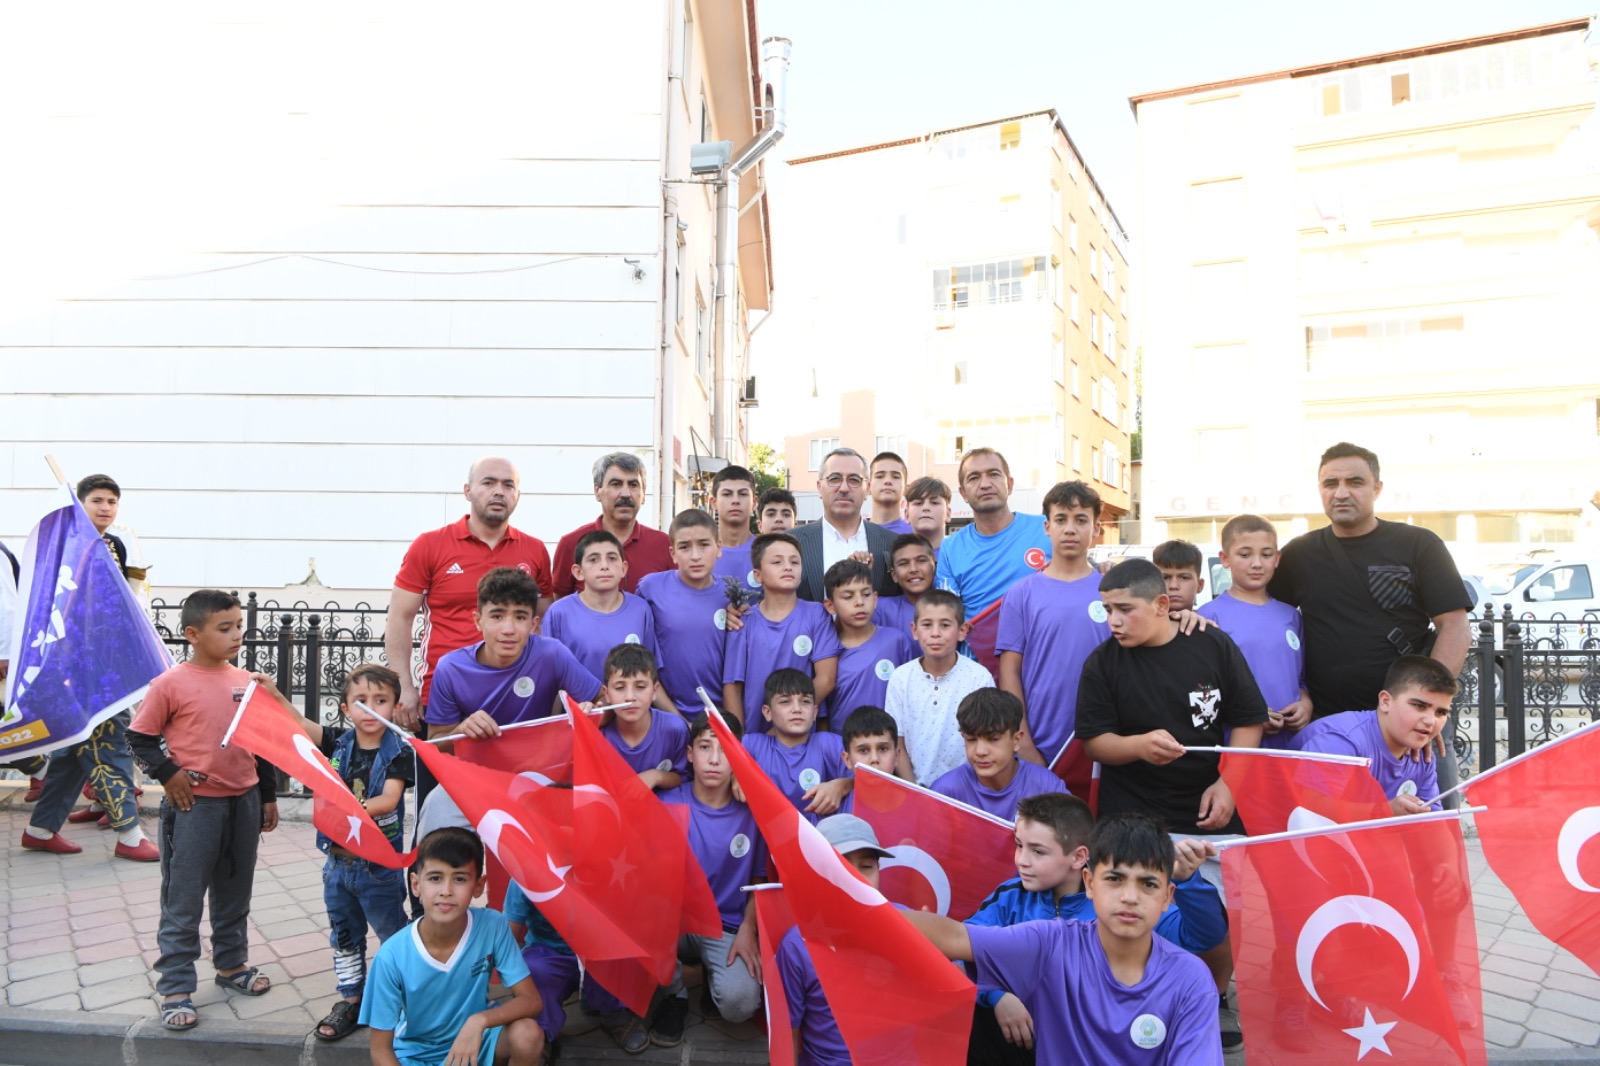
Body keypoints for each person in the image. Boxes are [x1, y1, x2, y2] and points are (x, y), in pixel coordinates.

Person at [905, 813, 1225, 1066]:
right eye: (1115, 879)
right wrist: (872, 907)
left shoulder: (1191, 980)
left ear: (1168, 896)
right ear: (1090, 883)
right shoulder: (1051, 943)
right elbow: (955, 936)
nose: (1130, 897)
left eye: (1148, 884)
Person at [1269, 442, 1471, 797]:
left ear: (1377, 488)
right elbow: (1264, 617)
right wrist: (1185, 616)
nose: (1341, 492)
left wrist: (1427, 709)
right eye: (1330, 483)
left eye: (1355, 482)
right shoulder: (1299, 554)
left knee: (1429, 825)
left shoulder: (1418, 544)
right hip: (1332, 728)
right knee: (1333, 826)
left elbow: (1454, 626)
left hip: (1410, 727)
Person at [125, 590, 279, 1032]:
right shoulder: (170, 683)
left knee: (235, 890)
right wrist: (168, 774)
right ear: (192, 634)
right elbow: (139, 738)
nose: (237, 635)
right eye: (224, 628)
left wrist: (267, 796)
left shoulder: (246, 681)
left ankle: (231, 965)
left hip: (244, 803)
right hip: (194, 807)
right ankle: (175, 986)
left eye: (239, 626)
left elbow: (261, 742)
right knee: (184, 897)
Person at [248, 665, 412, 1044]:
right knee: (344, 935)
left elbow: (389, 799)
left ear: (395, 707)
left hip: (378, 868)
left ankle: (404, 997)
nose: (370, 709)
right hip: (337, 865)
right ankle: (351, 1000)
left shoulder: (398, 752)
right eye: (361, 701)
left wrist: (349, 807)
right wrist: (274, 694)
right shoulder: (339, 743)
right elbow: (300, 725)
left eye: (381, 701)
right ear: (345, 708)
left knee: (393, 935)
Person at [1074, 559, 1267, 837]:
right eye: (1108, 609)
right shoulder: (1101, 663)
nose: (1113, 620)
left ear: (1161, 605)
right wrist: (1138, 746)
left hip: (1206, 810)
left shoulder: (1212, 644)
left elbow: (1248, 720)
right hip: (1130, 818)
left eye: (1125, 609)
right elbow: (1094, 742)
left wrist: (1229, 784)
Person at [20, 473, 156, 859]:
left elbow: (126, 602)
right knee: (110, 743)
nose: (105, 508)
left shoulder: (114, 545)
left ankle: (41, 828)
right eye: (97, 500)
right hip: (78, 665)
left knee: (73, 748)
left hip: (109, 659)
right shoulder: (65, 545)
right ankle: (130, 835)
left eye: (112, 502)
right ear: (80, 504)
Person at [386, 456, 555, 734]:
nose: (499, 491)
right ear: (467, 491)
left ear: (518, 495)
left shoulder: (534, 550)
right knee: (443, 764)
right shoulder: (430, 545)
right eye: (488, 483)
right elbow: (399, 619)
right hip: (444, 697)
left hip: (514, 695)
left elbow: (544, 622)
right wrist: (403, 686)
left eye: (508, 485)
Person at [362, 828, 545, 1066]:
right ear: (416, 884)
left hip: (477, 1041)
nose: (446, 891)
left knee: (528, 1034)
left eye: (459, 879)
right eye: (435, 878)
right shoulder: (391, 956)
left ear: (478, 886)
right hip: (416, 1056)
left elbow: (531, 1001)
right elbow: (380, 1051)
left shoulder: (492, 925)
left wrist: (479, 1021)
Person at [657, 714, 768, 1042]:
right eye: (705, 747)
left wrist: (748, 928)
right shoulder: (668, 804)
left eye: (725, 750)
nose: (715, 759)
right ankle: (675, 994)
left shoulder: (753, 811)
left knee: (739, 1004)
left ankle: (710, 973)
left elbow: (759, 882)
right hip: (672, 924)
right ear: (690, 754)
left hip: (726, 926)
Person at [996, 480, 1112, 767]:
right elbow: (1009, 673)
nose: (1070, 529)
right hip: (1040, 744)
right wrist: (1023, 742)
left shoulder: (1113, 593)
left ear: (1096, 528)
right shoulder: (1021, 593)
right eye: (1061, 519)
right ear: (1047, 527)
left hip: (1106, 743)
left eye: (1081, 520)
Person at [425, 569, 602, 743]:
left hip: (538, 761)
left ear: (533, 624)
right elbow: (435, 742)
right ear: (478, 621)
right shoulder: (450, 668)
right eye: (497, 616)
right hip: (475, 763)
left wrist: (590, 712)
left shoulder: (552, 653)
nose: (508, 629)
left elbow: (603, 702)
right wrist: (461, 731)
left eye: (520, 617)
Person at [775, 813, 895, 1065]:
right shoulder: (797, 946)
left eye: (866, 866)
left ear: (879, 870)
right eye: (840, 866)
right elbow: (787, 1033)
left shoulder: (911, 926)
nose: (855, 878)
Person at [1197, 515, 1310, 749]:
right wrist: (1249, 714)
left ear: (1277, 559)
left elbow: (1300, 678)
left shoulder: (1291, 615)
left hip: (1291, 746)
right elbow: (1203, 689)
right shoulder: (1208, 616)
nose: (1257, 563)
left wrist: (1305, 703)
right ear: (1225, 558)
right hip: (1239, 747)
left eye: (1266, 555)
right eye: (1245, 554)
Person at [1292, 655, 1456, 813]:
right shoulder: (1341, 740)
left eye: (1441, 712)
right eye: (1419, 706)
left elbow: (1433, 822)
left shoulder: (1422, 755)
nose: (1430, 721)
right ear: (1385, 701)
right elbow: (1311, 810)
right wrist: (1385, 812)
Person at [722, 533, 841, 728]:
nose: (788, 567)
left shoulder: (817, 614)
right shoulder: (742, 621)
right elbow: (732, 688)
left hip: (802, 735)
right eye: (777, 562)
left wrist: (784, 724)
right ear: (758, 575)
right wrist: (740, 740)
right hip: (755, 737)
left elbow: (826, 679)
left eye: (794, 562)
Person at [886, 590, 994, 786]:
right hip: (917, 788)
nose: (935, 633)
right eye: (927, 625)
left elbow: (985, 742)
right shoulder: (900, 678)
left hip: (967, 790)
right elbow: (897, 743)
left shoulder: (978, 678)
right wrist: (916, 792)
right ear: (914, 630)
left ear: (962, 631)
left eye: (945, 625)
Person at [936, 448, 1052, 623]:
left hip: (1044, 640)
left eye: (994, 474)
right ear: (963, 493)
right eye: (974, 478)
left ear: (1010, 485)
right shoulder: (950, 548)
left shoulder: (1047, 528)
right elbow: (947, 618)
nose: (985, 484)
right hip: (978, 641)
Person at [638, 510, 731, 716]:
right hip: (666, 713)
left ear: (719, 547)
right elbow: (643, 659)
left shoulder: (731, 593)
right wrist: (677, 719)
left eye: (704, 545)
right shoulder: (651, 587)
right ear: (672, 553)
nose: (695, 556)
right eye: (684, 547)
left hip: (719, 714)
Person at [550, 453, 673, 599]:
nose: (626, 494)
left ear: (644, 494)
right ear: (597, 491)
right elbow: (560, 602)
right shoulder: (571, 544)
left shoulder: (665, 545)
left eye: (633, 485)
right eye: (616, 484)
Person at [930, 690, 1067, 821]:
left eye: (993, 739)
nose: (980, 751)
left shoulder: (1046, 787)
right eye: (971, 739)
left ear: (1016, 740)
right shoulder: (945, 792)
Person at [541, 529, 658, 680]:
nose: (604, 566)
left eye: (612, 558)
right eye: (594, 559)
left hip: (629, 695)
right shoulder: (558, 613)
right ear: (578, 572)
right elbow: (548, 672)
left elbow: (650, 670)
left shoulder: (641, 609)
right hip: (578, 696)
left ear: (624, 568)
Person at [792, 447, 900, 602]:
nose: (843, 488)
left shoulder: (891, 543)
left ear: (867, 489)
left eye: (854, 480)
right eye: (834, 479)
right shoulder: (793, 542)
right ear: (819, 487)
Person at [742, 670, 851, 823]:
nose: (797, 709)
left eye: (805, 701)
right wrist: (733, 777)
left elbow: (869, 781)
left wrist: (842, 785)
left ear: (815, 712)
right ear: (768, 712)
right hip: (766, 835)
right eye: (785, 701)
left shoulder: (828, 743)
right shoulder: (752, 745)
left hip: (820, 837)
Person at [821, 559, 917, 728]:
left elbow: (914, 696)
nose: (859, 602)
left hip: (891, 741)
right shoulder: (826, 652)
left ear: (875, 598)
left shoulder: (896, 641)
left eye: (866, 594)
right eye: (848, 597)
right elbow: (821, 715)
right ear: (830, 606)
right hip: (841, 742)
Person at [598, 644, 689, 792]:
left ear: (655, 691)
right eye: (620, 688)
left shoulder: (674, 729)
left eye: (640, 687)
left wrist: (657, 776)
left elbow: (685, 778)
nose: (630, 697)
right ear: (606, 693)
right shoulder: (597, 733)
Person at [709, 464, 763, 597]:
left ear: (754, 502)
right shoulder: (700, 553)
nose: (735, 501)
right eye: (727, 494)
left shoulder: (766, 552)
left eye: (743, 494)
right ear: (713, 502)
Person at [837, 705, 901, 813]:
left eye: (883, 749)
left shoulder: (918, 810)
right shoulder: (833, 808)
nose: (874, 759)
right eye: (863, 750)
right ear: (847, 760)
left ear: (896, 756)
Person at [875, 533, 937, 636]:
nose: (913, 569)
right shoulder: (879, 608)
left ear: (934, 566)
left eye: (921, 561)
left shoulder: (953, 605)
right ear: (894, 575)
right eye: (904, 563)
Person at [1152, 540, 1205, 613]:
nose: (1173, 586)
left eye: (1184, 578)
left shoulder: (1209, 618)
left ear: (1199, 585)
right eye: (1165, 578)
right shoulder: (1140, 619)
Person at [905, 476, 952, 555]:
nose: (926, 508)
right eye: (918, 503)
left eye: (934, 503)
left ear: (948, 513)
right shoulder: (895, 556)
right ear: (906, 514)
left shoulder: (962, 554)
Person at [869, 451, 913, 534]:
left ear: (905, 487)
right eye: (880, 476)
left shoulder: (916, 535)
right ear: (869, 486)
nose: (888, 481)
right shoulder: (856, 533)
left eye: (895, 477)